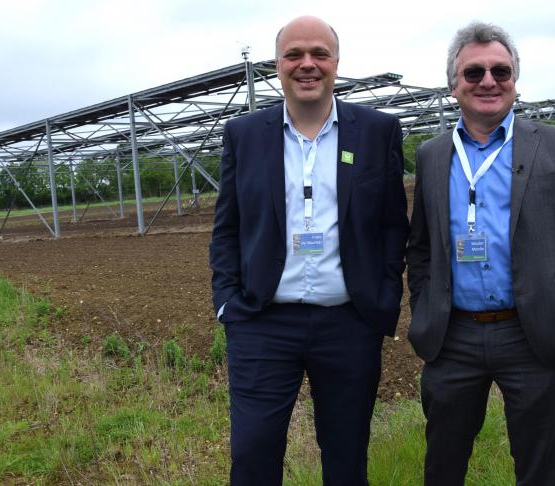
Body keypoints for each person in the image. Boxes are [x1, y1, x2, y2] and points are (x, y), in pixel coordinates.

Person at [209, 15, 409, 486]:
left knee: (346, 458)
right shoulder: (245, 134)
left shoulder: (378, 131)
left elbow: (391, 224)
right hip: (262, 322)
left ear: (336, 63)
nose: (307, 64)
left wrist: (382, 298)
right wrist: (227, 303)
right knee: (253, 454)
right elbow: (226, 228)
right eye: (294, 54)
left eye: (319, 54)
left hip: (348, 322)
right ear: (276, 65)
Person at [406, 22, 555, 485]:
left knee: (538, 469)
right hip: (452, 337)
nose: (489, 81)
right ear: (453, 85)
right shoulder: (433, 155)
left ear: (516, 79)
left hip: (532, 335)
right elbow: (420, 247)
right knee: (442, 464)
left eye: (501, 70)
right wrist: (425, 310)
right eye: (473, 73)